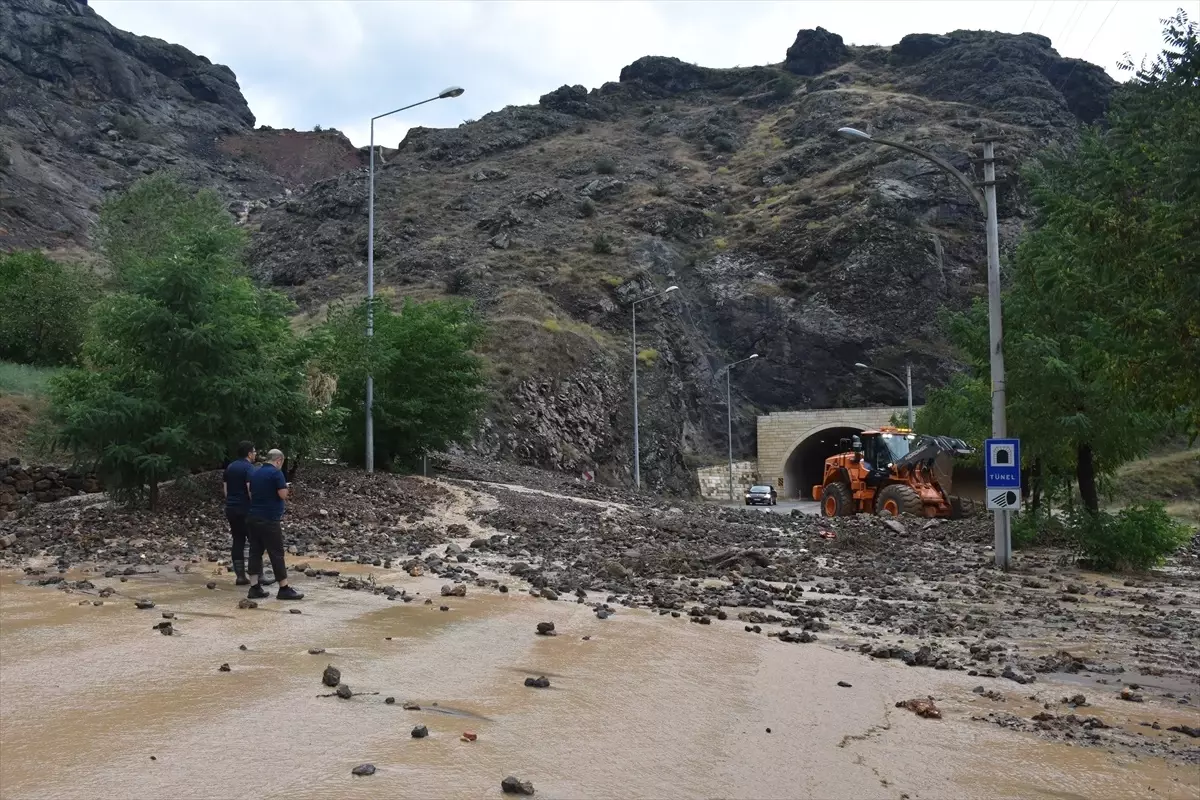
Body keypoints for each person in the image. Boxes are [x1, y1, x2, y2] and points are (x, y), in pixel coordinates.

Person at [246, 448, 303, 600]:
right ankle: (283, 588)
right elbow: (282, 494)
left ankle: (254, 587)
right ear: (278, 460)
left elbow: (250, 494)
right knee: (276, 553)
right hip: (269, 519)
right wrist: (286, 487)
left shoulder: (255, 472)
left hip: (253, 517)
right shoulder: (276, 473)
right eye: (281, 463)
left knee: (255, 552)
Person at [222, 441, 257, 586]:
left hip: (231, 508)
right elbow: (250, 489)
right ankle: (257, 576)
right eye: (254, 452)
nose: (255, 454)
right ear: (249, 453)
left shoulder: (230, 467)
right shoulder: (249, 468)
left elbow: (225, 490)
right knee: (255, 542)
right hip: (246, 509)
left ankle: (240, 576)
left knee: (238, 540)